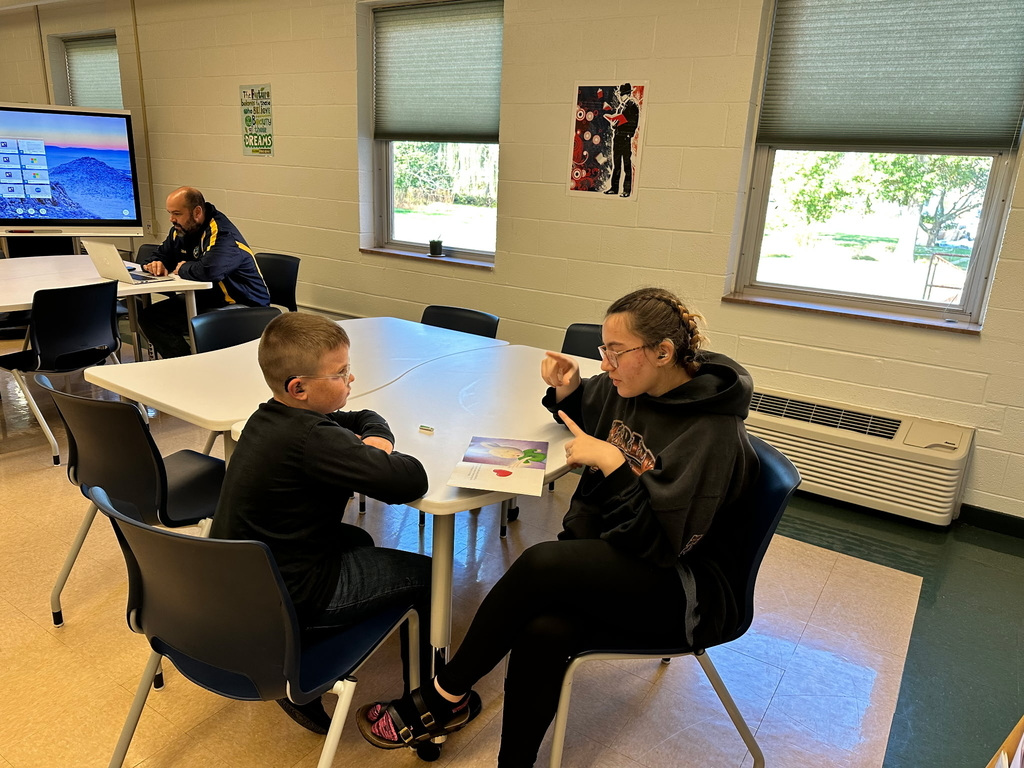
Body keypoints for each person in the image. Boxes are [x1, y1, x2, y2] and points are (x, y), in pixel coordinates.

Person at [356, 287, 760, 767]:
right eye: (602, 351)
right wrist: (569, 389)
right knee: (544, 629)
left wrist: (613, 465)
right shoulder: (638, 384)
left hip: (683, 584)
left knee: (543, 563)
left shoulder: (711, 433)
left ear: (663, 352)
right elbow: (599, 409)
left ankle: (444, 696)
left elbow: (658, 543)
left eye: (615, 352)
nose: (604, 364)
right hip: (625, 550)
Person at [209, 312, 433, 735]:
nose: (352, 378)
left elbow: (357, 416)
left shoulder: (271, 417)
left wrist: (372, 433)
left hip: (245, 583)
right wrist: (380, 450)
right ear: (300, 387)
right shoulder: (314, 439)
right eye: (341, 372)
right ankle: (421, 704)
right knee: (430, 576)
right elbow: (410, 479)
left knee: (358, 537)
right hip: (292, 592)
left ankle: (309, 644)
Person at [137, 186, 270, 358]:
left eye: (177, 213)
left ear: (197, 212)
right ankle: (185, 368)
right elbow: (158, 255)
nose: (171, 219)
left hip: (244, 305)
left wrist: (183, 268)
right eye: (170, 213)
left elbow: (210, 270)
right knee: (150, 317)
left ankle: (191, 370)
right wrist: (155, 263)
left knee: (195, 324)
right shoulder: (181, 230)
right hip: (208, 300)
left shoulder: (222, 233)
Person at [603, 83, 640, 198]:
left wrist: (629, 134)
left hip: (625, 138)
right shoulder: (620, 107)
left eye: (623, 95)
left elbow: (634, 122)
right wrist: (614, 124)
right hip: (617, 137)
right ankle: (614, 188)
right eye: (620, 94)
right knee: (617, 164)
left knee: (626, 164)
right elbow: (617, 122)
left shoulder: (632, 105)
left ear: (628, 94)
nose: (621, 97)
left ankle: (626, 190)